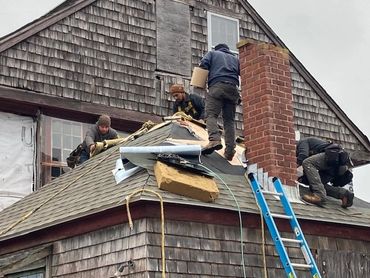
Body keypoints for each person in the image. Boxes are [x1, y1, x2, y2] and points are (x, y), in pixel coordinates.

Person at [198, 43, 240, 161]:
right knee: (229, 121)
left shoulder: (212, 54)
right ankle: (230, 150)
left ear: (217, 49)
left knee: (211, 115)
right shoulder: (235, 59)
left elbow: (203, 65)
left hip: (217, 86)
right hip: (233, 89)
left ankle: (214, 140)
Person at [296, 137, 354, 208]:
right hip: (336, 165)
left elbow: (303, 156)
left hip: (333, 156)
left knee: (307, 163)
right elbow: (312, 176)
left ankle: (319, 196)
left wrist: (291, 170)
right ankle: (344, 194)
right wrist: (301, 179)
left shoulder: (302, 141)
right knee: (315, 186)